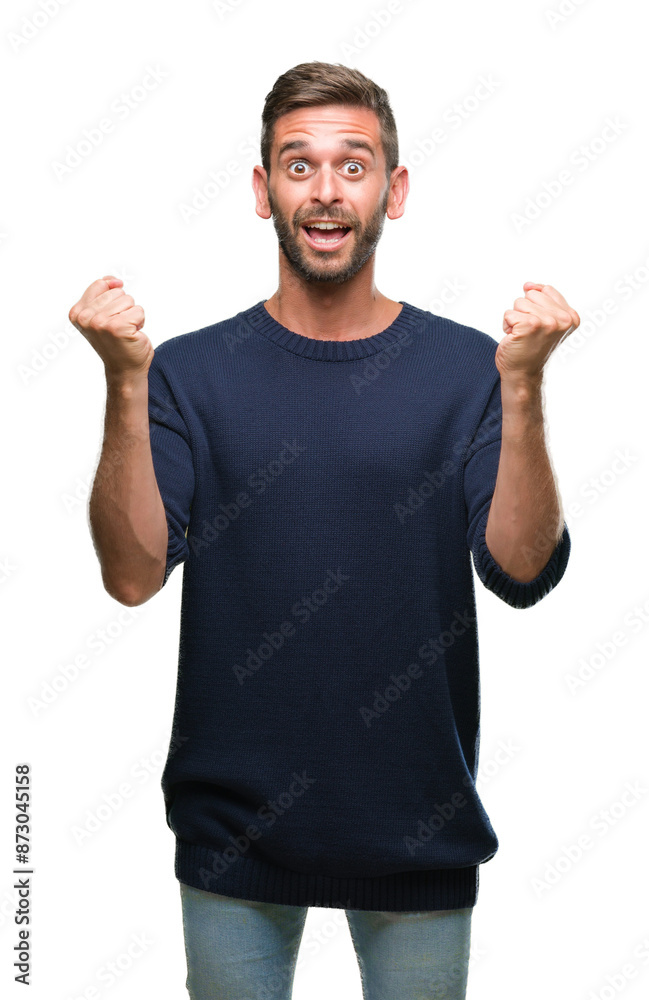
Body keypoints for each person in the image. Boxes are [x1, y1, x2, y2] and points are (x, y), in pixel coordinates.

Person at [69, 60, 579, 1000]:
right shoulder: (187, 372)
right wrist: (123, 382)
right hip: (233, 839)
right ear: (264, 192)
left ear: (395, 188)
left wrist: (525, 386)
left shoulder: (472, 369)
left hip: (418, 830)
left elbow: (519, 571)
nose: (327, 189)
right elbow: (133, 575)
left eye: (354, 164)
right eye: (298, 166)